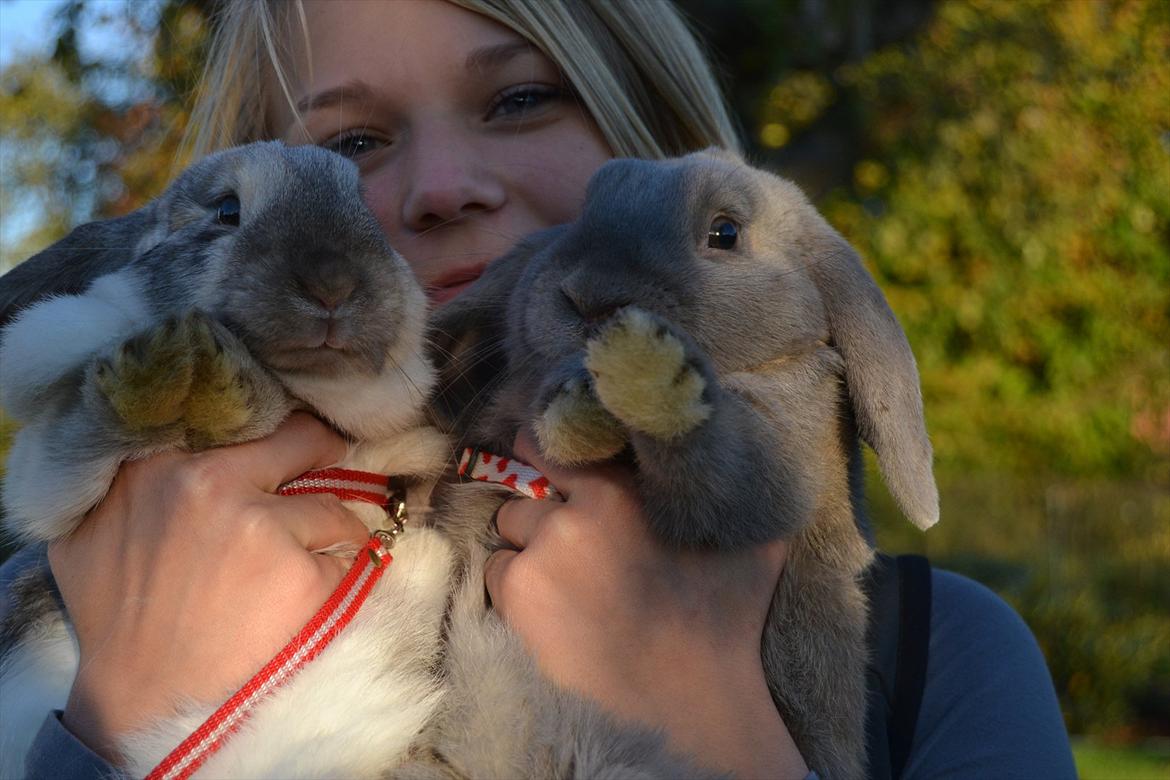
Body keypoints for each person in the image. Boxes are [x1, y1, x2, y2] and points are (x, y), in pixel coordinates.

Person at [5, 1, 1076, 778]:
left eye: (519, 98)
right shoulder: (72, 596)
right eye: (355, 141)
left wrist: (710, 720)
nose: (441, 187)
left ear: (652, 136)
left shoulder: (938, 660)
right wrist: (125, 713)